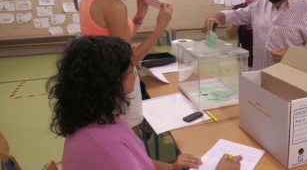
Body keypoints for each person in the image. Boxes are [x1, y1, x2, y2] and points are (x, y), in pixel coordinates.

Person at [47, 36, 242, 170]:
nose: (136, 70)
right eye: (131, 68)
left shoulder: (102, 118)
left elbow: (141, 162)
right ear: (115, 83)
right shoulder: (104, 144)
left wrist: (169, 167)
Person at [79, 0, 173, 135]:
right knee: (131, 142)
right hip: (119, 86)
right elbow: (128, 60)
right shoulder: (113, 5)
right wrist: (160, 27)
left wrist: (139, 17)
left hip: (102, 80)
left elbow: (119, 42)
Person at [226, 0, 263, 70]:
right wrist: (240, 17)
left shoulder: (266, 8)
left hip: (262, 59)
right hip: (244, 59)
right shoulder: (238, 9)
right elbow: (230, 34)